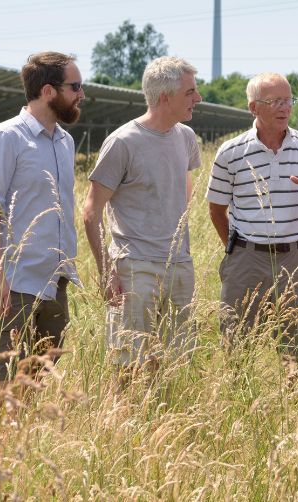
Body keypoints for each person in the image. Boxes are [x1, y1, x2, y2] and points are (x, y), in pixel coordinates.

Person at [0, 51, 84, 417]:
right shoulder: (6, 138)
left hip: (54, 282)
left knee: (34, 382)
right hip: (14, 284)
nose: (82, 94)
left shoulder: (64, 142)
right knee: (1, 384)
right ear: (49, 90)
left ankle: (20, 459)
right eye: (75, 86)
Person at [82, 56, 202, 372]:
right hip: (135, 269)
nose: (198, 99)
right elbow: (90, 212)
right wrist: (107, 270)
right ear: (165, 96)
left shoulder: (187, 138)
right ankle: (120, 420)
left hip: (179, 266)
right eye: (190, 92)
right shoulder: (123, 142)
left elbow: (184, 193)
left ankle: (166, 422)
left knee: (177, 364)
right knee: (128, 366)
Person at [206, 72, 298, 363]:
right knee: (237, 351)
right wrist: (236, 250)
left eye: (288, 100)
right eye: (275, 101)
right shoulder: (231, 152)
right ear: (254, 107)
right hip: (246, 261)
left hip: (296, 260)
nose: (285, 108)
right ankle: (243, 407)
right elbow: (216, 209)